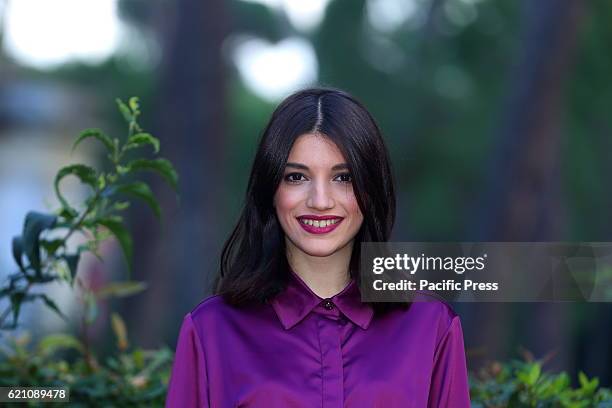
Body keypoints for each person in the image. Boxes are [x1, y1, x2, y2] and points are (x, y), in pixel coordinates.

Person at [165, 87, 471, 407]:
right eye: (296, 177)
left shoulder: (432, 327)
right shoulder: (211, 330)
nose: (320, 201)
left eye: (344, 178)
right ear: (270, 189)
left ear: (371, 189)